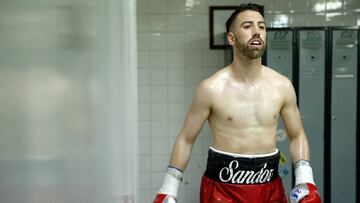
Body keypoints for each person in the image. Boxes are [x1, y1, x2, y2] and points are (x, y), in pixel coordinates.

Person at [153, 3, 321, 203]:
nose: (257, 31)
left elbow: (297, 135)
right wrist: (168, 189)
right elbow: (186, 139)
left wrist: (305, 180)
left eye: (261, 26)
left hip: (269, 187)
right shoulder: (211, 88)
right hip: (222, 190)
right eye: (248, 26)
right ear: (231, 38)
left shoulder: (282, 86)